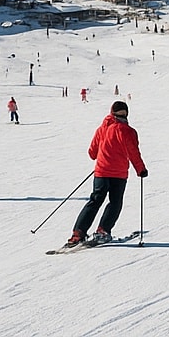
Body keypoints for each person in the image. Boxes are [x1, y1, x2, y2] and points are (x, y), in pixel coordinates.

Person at [66, 100, 147, 247]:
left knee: (95, 201)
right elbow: (133, 153)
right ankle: (103, 230)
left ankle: (78, 233)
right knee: (115, 203)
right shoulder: (128, 131)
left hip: (101, 172)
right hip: (119, 174)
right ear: (126, 114)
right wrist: (140, 169)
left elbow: (92, 153)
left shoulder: (102, 129)